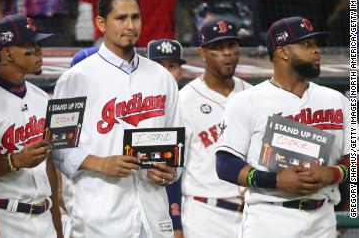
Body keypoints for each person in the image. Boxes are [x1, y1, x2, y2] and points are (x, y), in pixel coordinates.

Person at [53, 0, 182, 237]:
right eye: (121, 18)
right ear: (101, 23)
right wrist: (100, 163)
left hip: (152, 215)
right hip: (101, 217)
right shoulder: (74, 78)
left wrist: (171, 171)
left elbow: (176, 142)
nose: (130, 25)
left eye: (135, 17)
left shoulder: (161, 77)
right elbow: (57, 146)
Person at [215, 16, 350, 238]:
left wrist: (333, 173)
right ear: (283, 52)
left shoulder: (337, 100)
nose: (316, 51)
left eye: (316, 44)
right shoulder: (246, 101)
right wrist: (276, 180)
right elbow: (225, 163)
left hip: (323, 218)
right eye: (307, 44)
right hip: (270, 219)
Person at [0, 14, 63, 238]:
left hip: (44, 218)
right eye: (30, 45)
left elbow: (49, 168)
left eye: (39, 44)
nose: (39, 51)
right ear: (7, 53)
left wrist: (57, 224)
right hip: (5, 217)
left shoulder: (42, 98)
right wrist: (14, 161)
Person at [179, 19, 252, 238]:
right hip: (205, 214)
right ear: (202, 52)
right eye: (218, 47)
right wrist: (175, 225)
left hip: (252, 214)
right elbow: (173, 170)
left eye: (232, 46)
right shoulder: (184, 100)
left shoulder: (252, 96)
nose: (227, 53)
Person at [146, 38, 186, 238]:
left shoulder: (189, 102)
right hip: (157, 207)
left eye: (172, 66)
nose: (166, 72)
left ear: (181, 71)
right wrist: (175, 221)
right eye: (159, 65)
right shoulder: (141, 110)